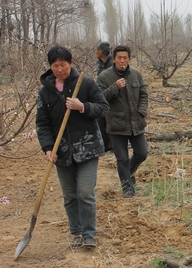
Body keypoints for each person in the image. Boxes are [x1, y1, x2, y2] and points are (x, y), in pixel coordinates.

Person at [36, 45, 109, 249]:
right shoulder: (45, 93)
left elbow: (104, 108)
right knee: (70, 195)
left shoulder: (84, 84)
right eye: (55, 66)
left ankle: (89, 235)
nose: (60, 69)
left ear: (71, 63)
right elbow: (42, 124)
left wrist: (82, 107)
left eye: (63, 65)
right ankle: (76, 232)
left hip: (88, 148)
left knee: (85, 192)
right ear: (50, 67)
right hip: (62, 151)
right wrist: (48, 147)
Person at [97, 45, 149, 199]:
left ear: (129, 59)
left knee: (142, 153)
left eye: (125, 57)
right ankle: (127, 189)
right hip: (116, 125)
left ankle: (128, 173)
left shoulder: (136, 75)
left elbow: (144, 94)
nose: (122, 61)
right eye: (119, 57)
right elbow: (98, 98)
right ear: (113, 59)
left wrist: (142, 112)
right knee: (122, 159)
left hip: (136, 123)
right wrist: (115, 88)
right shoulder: (104, 77)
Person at [95, 41, 114, 153]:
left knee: (110, 121)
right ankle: (105, 146)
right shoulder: (101, 63)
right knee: (100, 120)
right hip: (101, 95)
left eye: (96, 50)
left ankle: (112, 147)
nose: (95, 52)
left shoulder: (111, 63)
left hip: (111, 94)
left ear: (100, 52)